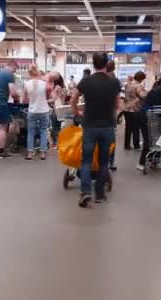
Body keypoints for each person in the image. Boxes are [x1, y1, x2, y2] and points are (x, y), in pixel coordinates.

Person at [70, 53, 121, 208]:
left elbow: (73, 99)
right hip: (107, 127)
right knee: (104, 161)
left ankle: (85, 192)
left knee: (86, 161)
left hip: (90, 126)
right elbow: (117, 105)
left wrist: (76, 112)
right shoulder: (114, 82)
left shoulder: (86, 81)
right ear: (106, 64)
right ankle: (99, 193)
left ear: (93, 64)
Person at [136, 77, 161, 171]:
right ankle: (141, 163)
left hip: (155, 118)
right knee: (148, 140)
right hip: (146, 118)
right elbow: (152, 106)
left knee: (158, 140)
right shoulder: (156, 92)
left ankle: (153, 162)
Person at [22, 65, 51, 160]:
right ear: (37, 72)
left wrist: (31, 100)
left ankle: (30, 153)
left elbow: (24, 100)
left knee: (31, 132)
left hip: (32, 110)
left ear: (29, 73)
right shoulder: (44, 83)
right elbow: (47, 96)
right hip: (43, 110)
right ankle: (43, 153)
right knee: (43, 131)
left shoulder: (26, 84)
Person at [123, 71, 148, 150]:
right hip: (135, 109)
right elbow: (143, 96)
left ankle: (127, 145)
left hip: (127, 108)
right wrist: (147, 93)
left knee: (128, 128)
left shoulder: (128, 84)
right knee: (136, 127)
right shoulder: (138, 86)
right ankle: (136, 145)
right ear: (141, 78)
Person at [105, 60, 121, 171]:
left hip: (95, 115)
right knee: (111, 139)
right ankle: (110, 162)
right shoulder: (115, 81)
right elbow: (117, 101)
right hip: (110, 115)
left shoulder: (96, 78)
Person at [49, 74, 65, 148]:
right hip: (61, 109)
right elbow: (63, 101)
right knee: (58, 127)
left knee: (54, 127)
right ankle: (59, 142)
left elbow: (54, 99)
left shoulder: (56, 88)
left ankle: (55, 143)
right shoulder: (64, 88)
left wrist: (47, 101)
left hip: (56, 109)